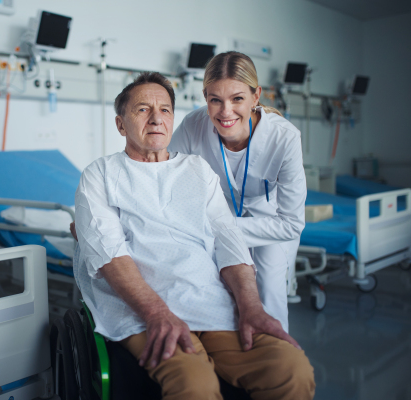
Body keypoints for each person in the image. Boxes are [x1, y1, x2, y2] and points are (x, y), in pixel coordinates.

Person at [73, 71, 315, 400]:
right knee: (195, 386)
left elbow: (229, 241)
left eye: (165, 110)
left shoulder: (197, 169)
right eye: (143, 109)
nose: (157, 118)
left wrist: (251, 305)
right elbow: (110, 255)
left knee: (290, 369)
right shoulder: (100, 175)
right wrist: (157, 314)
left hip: (209, 300)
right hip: (142, 310)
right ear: (120, 124)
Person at [169, 52, 306, 332]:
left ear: (256, 96)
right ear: (205, 97)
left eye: (237, 99)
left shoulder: (285, 138)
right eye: (215, 100)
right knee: (217, 285)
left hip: (270, 218)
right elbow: (161, 177)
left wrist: (216, 228)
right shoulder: (193, 127)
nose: (225, 111)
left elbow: (291, 224)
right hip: (217, 212)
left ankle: (276, 363)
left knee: (269, 288)